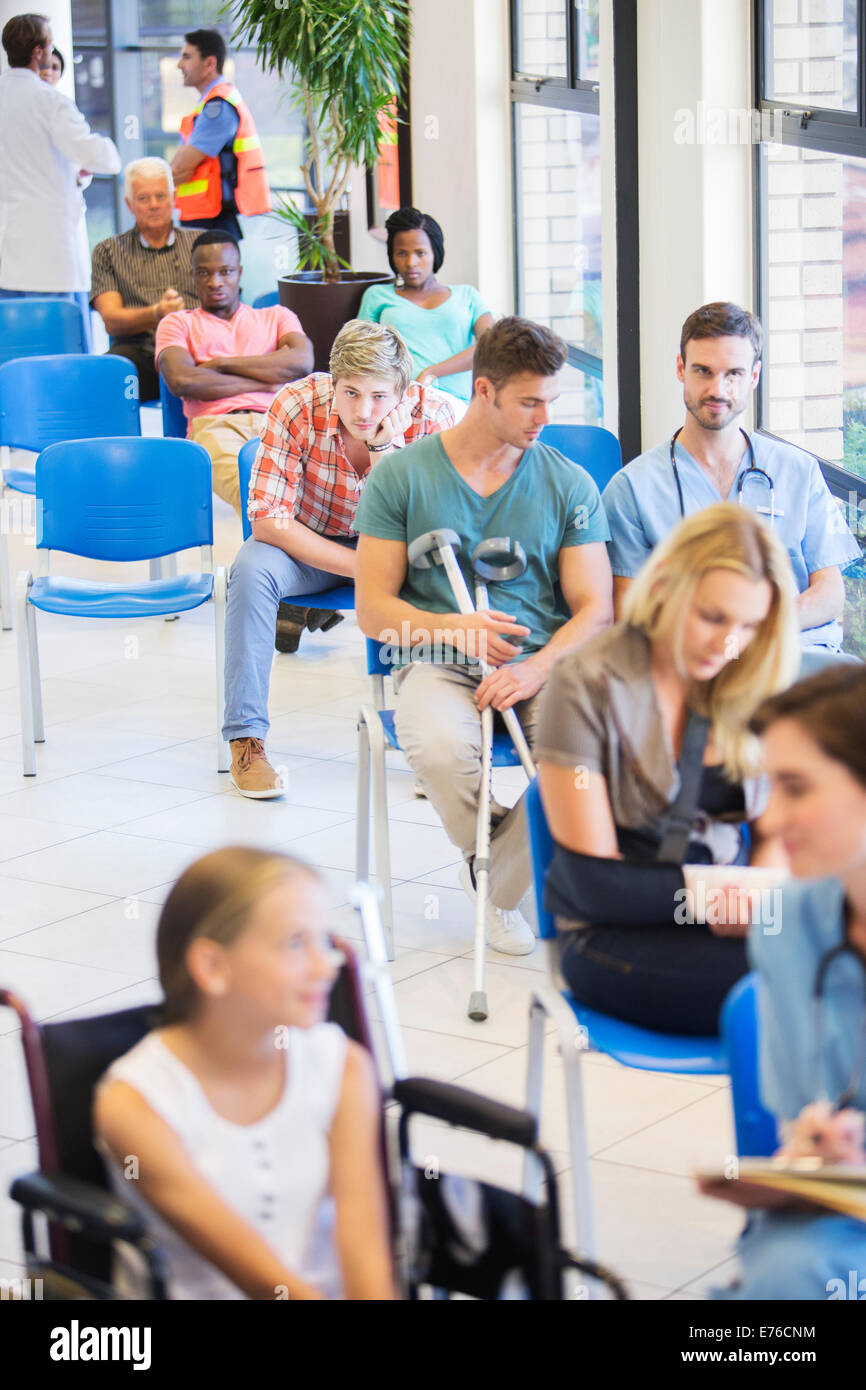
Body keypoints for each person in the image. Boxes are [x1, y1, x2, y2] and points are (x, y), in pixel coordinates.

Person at [354, 316, 614, 955]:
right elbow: (373, 609)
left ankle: (491, 876)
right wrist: (456, 630)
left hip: (541, 662)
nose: (543, 418)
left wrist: (534, 669)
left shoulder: (568, 482)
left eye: (552, 401)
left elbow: (595, 610)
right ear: (483, 391)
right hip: (436, 659)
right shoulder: (401, 476)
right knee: (441, 751)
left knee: (583, 762)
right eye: (529, 402)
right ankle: (506, 864)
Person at [535, 503, 801, 1035]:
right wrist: (717, 898)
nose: (728, 643)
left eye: (749, 625)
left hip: (729, 914)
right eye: (712, 616)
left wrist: (761, 895)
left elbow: (777, 833)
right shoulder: (584, 683)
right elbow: (594, 886)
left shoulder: (753, 677)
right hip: (611, 934)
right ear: (665, 589)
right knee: (813, 987)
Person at [93, 847, 395, 1300]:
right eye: (296, 944)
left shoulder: (343, 1068)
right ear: (212, 966)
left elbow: (365, 1248)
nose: (324, 966)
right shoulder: (137, 1103)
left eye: (324, 942)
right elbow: (261, 1280)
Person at [223, 319, 455, 798]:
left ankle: (433, 743)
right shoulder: (296, 404)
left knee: (444, 575)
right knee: (249, 569)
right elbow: (269, 519)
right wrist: (361, 568)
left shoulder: (435, 417)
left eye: (378, 396)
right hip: (309, 542)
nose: (364, 411)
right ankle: (247, 740)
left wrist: (384, 451)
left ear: (402, 391)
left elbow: (432, 527)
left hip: (401, 551)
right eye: (350, 393)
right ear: (333, 383)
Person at [703, 663, 866, 1299]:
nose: (768, 825)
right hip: (840, 1228)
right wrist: (819, 1145)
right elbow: (799, 1121)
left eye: (797, 789)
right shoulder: (790, 929)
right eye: (768, 791)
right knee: (786, 1276)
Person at [602, 302, 860, 652]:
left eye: (733, 374)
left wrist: (757, 630)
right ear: (681, 368)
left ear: (753, 376)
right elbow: (629, 612)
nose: (718, 390)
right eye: (703, 371)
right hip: (694, 662)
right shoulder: (632, 488)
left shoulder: (799, 471)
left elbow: (829, 593)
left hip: (797, 652)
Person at [155, 230, 313, 516]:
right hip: (216, 426)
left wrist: (219, 364)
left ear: (239, 272)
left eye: (225, 271)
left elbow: (302, 362)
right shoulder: (176, 323)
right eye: (204, 273)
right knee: (259, 498)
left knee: (319, 494)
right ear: (192, 275)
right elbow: (182, 381)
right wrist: (268, 377)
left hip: (279, 422)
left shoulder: (276, 316)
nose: (215, 282)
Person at [0, 13, 120, 347]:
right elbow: (102, 158)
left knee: (11, 348)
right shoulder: (50, 101)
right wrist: (105, 151)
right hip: (48, 253)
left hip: (6, 254)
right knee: (60, 348)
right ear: (39, 51)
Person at [357, 207, 494, 404]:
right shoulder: (377, 296)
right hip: (398, 400)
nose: (411, 262)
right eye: (402, 253)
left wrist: (432, 372)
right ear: (392, 257)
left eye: (420, 253)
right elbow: (360, 353)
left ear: (435, 253)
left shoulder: (467, 295)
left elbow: (491, 347)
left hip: (455, 403)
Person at [90, 159, 199, 402]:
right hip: (141, 353)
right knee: (104, 376)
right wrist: (158, 312)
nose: (154, 205)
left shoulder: (200, 245)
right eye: (143, 198)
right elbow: (112, 321)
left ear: (173, 197)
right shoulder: (108, 251)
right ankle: (117, 440)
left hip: (199, 351)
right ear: (129, 204)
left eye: (161, 196)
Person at [171, 28, 270, 240]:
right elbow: (178, 167)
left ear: (209, 64)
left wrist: (175, 170)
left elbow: (180, 167)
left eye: (187, 57)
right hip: (203, 216)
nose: (179, 65)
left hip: (212, 220)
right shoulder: (208, 104)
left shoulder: (218, 107)